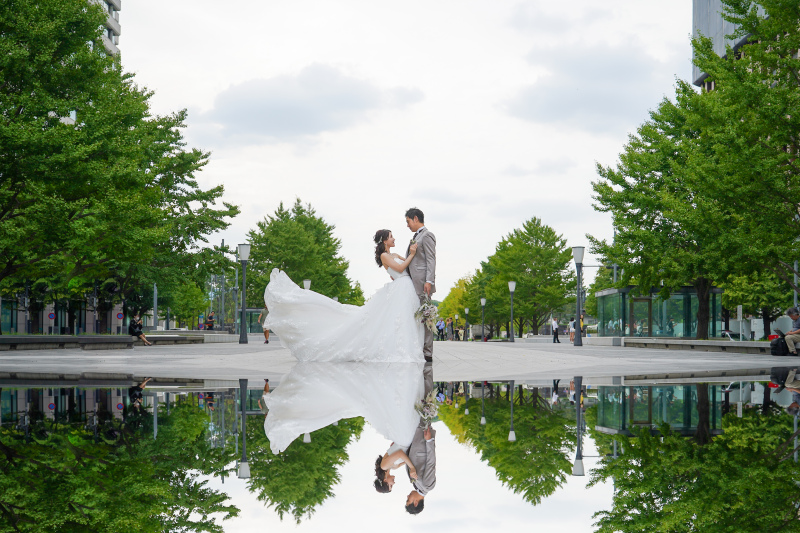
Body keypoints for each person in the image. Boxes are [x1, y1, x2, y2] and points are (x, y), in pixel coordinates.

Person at [264, 224, 426, 364]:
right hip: (401, 286)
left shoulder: (394, 255)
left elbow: (399, 269)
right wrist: (411, 254)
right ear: (385, 240)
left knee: (399, 320)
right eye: (391, 237)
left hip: (403, 286)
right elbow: (399, 269)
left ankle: (403, 346)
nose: (394, 239)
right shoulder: (384, 255)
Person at [405, 208, 437, 362]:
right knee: (419, 315)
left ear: (415, 218)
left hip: (423, 283)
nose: (407, 225)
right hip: (414, 282)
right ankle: (420, 348)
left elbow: (431, 259)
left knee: (426, 316)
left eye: (408, 221)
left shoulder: (427, 235)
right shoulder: (416, 236)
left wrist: (429, 281)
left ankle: (428, 352)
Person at [405, 425, 436, 514]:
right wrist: (429, 440)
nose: (407, 496)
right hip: (422, 437)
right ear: (415, 503)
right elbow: (431, 462)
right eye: (408, 500)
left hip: (414, 436)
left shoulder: (416, 485)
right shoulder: (428, 486)